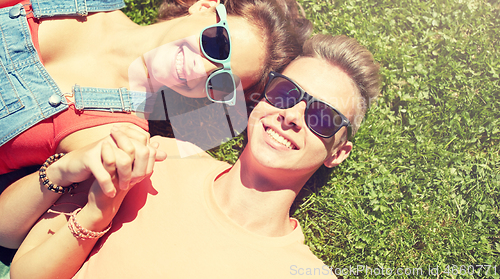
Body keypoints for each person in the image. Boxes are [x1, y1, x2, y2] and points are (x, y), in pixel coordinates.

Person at [0, 0, 312, 252]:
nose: (201, 69)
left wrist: (60, 171)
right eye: (216, 44)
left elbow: (4, 232)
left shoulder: (118, 137)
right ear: (205, 8)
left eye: (220, 82)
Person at [10, 34, 381, 278]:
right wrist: (76, 187)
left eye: (322, 117)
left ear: (339, 152)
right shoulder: (159, 157)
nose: (292, 116)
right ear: (262, 99)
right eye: (285, 93)